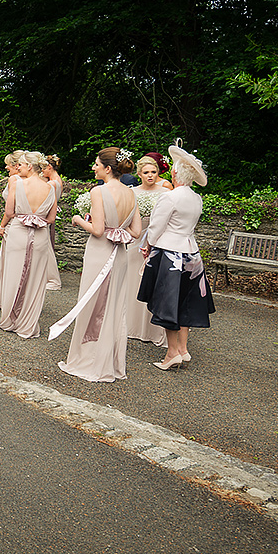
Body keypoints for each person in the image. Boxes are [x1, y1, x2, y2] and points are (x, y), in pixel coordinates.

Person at [50, 148, 142, 382]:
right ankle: (107, 360)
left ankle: (88, 359)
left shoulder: (99, 191)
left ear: (108, 168)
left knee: (92, 302)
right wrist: (117, 229)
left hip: (100, 252)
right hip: (119, 254)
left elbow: (99, 231)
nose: (93, 167)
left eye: (96, 164)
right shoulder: (131, 194)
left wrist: (79, 219)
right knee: (112, 305)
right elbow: (136, 231)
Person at [137, 144, 215, 370]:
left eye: (173, 169)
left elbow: (155, 228)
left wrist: (147, 247)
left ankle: (172, 354)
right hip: (192, 254)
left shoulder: (170, 198)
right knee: (185, 302)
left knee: (167, 303)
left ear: (177, 173)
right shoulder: (196, 199)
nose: (170, 171)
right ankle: (183, 349)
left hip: (169, 254)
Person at [0, 153, 59, 338]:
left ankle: (9, 319)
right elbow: (51, 219)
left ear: (30, 166)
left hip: (19, 233)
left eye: (21, 164)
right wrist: (37, 218)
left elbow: (9, 211)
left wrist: (24, 216)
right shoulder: (50, 188)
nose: (18, 167)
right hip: (40, 237)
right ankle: (28, 324)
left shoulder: (17, 183)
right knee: (35, 279)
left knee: (13, 274)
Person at [126, 155, 171, 347]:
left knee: (153, 283)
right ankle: (130, 326)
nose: (150, 175)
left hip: (157, 241)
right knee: (131, 281)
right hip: (135, 240)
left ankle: (153, 329)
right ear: (139, 174)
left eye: (153, 172)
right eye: (146, 172)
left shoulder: (166, 192)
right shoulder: (132, 192)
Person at [40, 154, 65, 273]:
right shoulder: (58, 180)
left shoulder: (51, 184)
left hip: (47, 214)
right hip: (52, 213)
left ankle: (47, 272)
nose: (42, 171)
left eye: (43, 168)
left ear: (49, 167)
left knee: (45, 246)